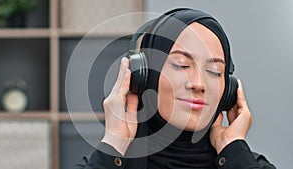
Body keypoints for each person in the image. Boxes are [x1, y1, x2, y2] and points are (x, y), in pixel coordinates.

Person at [74, 8, 276, 169]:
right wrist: (114, 143)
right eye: (181, 65)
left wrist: (233, 150)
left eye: (214, 71)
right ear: (145, 76)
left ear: (228, 90)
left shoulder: (247, 164)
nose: (198, 84)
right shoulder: (106, 163)